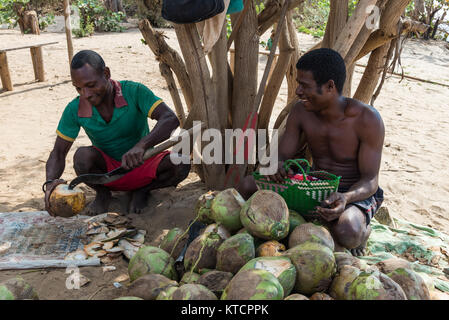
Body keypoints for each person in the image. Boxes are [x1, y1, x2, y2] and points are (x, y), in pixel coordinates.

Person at [237, 48, 385, 256]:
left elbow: (371, 180)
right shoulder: (301, 111)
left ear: (330, 86)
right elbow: (282, 155)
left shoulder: (367, 120)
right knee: (246, 186)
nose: (298, 91)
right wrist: (277, 165)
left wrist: (345, 197)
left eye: (304, 86)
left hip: (353, 192)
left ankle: (364, 231)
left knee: (347, 231)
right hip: (316, 185)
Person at [44, 50, 190, 215]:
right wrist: (50, 183)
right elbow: (58, 152)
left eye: (91, 85)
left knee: (181, 163)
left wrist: (142, 146)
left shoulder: (134, 91)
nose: (86, 94)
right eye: (79, 88)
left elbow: (170, 119)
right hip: (108, 174)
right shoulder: (74, 108)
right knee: (82, 156)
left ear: (106, 73)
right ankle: (103, 193)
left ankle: (143, 190)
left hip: (143, 162)